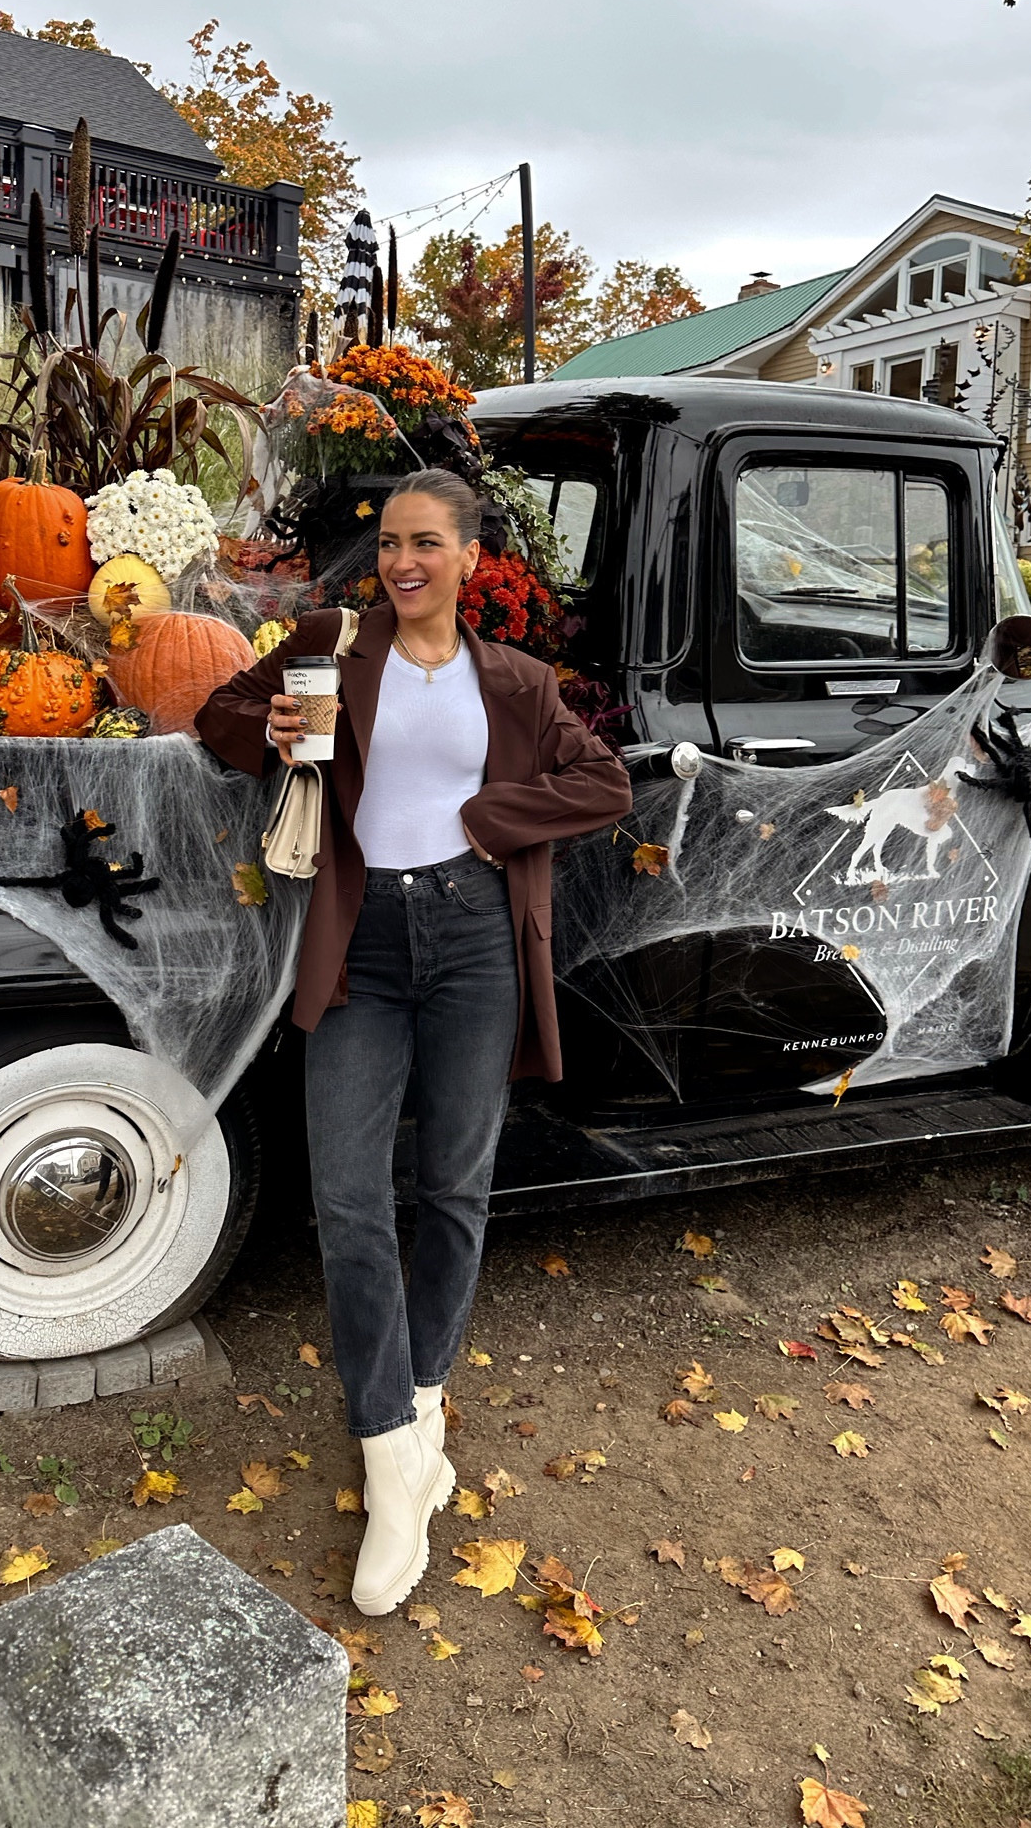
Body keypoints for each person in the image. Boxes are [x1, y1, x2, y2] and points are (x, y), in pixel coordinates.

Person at [196, 470, 631, 1614]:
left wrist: (494, 822)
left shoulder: (519, 683)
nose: (403, 561)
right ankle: (397, 1454)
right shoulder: (333, 644)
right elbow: (218, 718)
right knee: (346, 1195)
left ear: (470, 557)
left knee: (452, 1185)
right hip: (362, 941)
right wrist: (273, 723)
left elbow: (606, 781)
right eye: (390, 543)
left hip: (478, 938)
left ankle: (421, 1392)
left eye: (426, 543)